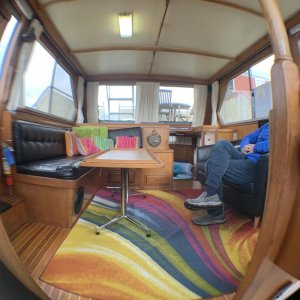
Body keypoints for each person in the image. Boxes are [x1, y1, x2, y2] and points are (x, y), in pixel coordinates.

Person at [184, 123, 269, 226]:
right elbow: (248, 137)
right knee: (222, 143)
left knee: (211, 164)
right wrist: (244, 147)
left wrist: (256, 147)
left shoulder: (285, 127)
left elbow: (276, 144)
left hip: (255, 165)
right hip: (245, 156)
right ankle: (212, 199)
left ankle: (214, 208)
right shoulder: (267, 125)